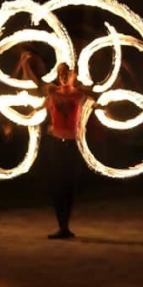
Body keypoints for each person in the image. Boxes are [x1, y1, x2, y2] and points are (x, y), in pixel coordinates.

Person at [42, 62, 93, 239]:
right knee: (57, 185)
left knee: (70, 185)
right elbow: (38, 107)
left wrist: (83, 89)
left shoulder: (79, 95)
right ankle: (61, 226)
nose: (63, 76)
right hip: (56, 144)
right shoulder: (52, 94)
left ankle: (65, 227)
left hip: (72, 144)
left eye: (67, 73)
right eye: (60, 73)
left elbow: (97, 99)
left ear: (73, 75)